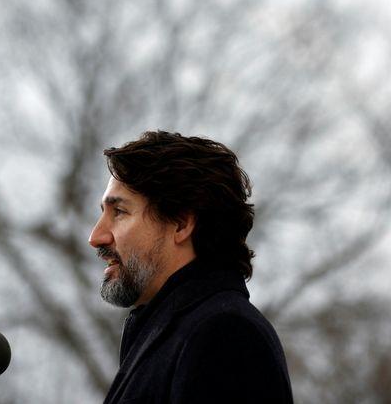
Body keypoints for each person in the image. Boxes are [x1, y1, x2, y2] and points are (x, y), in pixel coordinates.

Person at [89, 130, 294, 404]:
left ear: (181, 224)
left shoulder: (224, 335)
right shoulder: (178, 332)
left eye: (120, 212)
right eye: (102, 213)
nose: (96, 237)